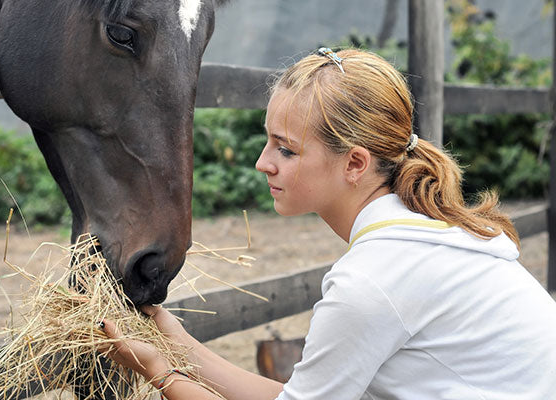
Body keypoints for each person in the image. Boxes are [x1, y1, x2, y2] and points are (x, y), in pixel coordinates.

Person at [98, 48, 556, 399]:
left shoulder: (374, 280)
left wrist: (159, 371)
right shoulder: (426, 236)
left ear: (355, 163)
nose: (263, 163)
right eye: (268, 142)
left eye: (287, 149)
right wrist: (178, 343)